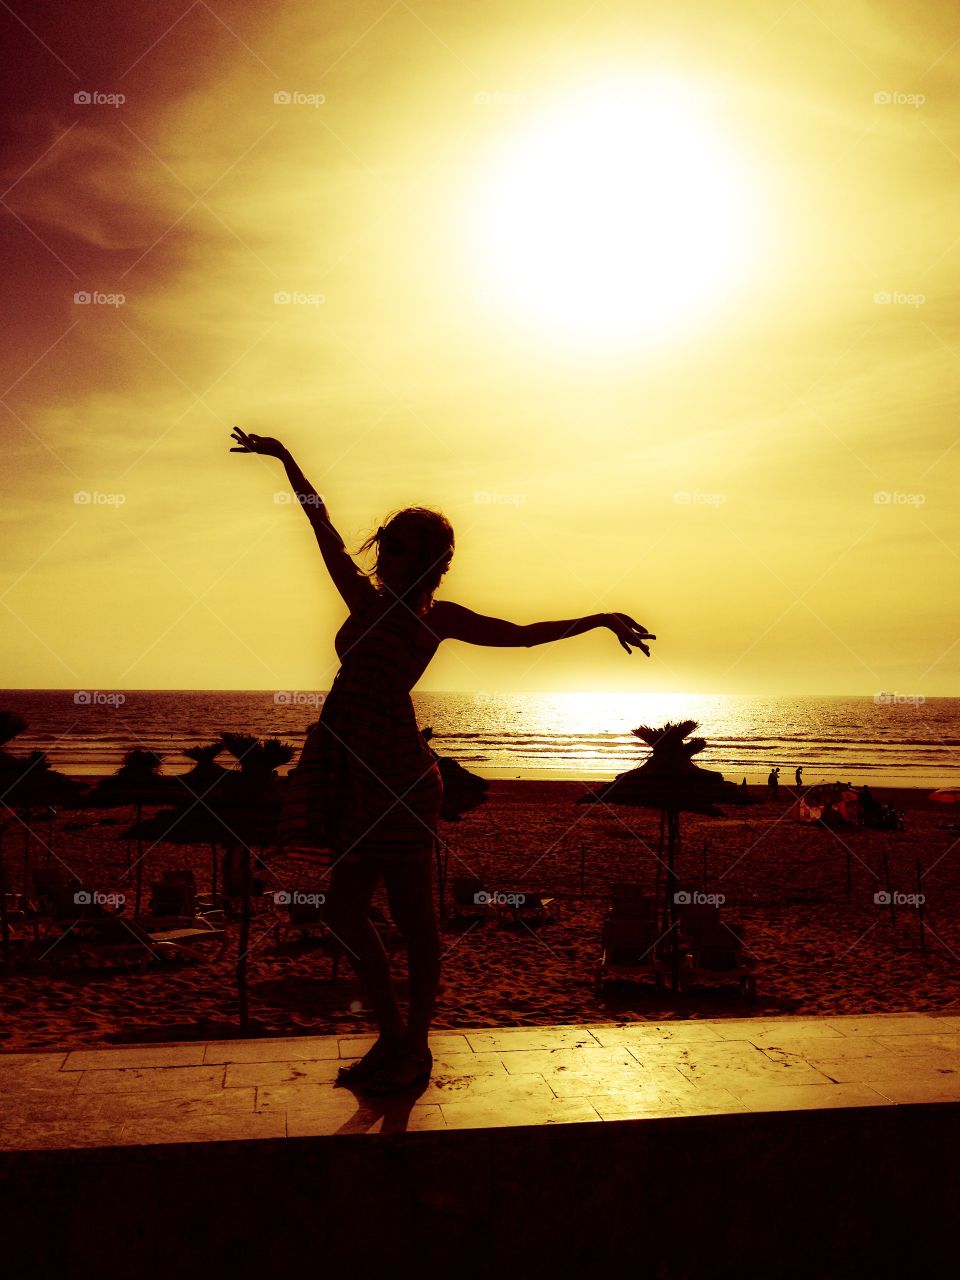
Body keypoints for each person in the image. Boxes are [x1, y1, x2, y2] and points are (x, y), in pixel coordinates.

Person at [230, 428, 656, 1092]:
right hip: (348, 762)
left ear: (423, 559)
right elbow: (324, 529)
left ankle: (415, 1046)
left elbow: (520, 637)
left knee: (413, 919)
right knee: (343, 911)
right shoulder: (363, 601)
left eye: (399, 545)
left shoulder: (438, 618)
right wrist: (286, 459)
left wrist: (597, 618)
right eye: (387, 539)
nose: (385, 550)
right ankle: (395, 1036)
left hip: (396, 775)